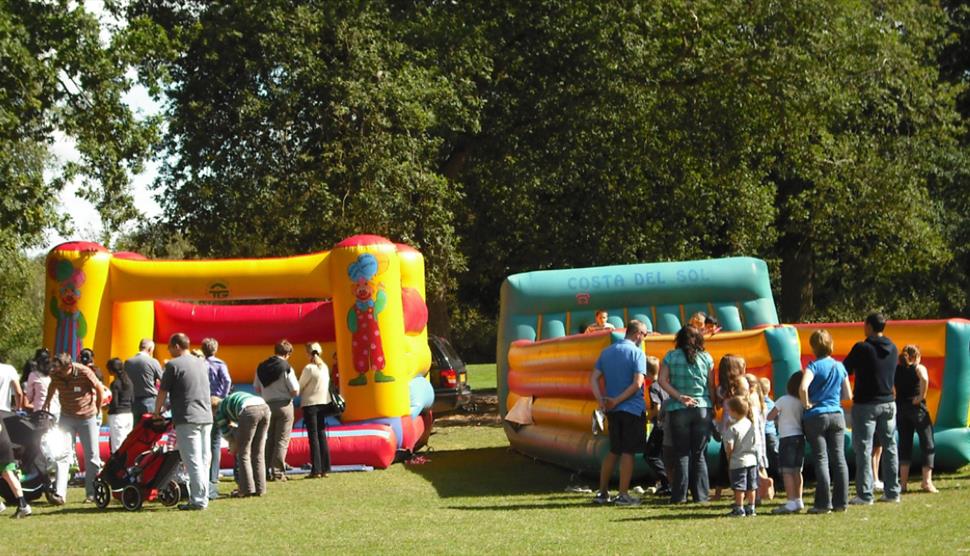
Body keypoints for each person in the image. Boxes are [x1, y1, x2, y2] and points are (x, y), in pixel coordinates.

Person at [843, 312, 901, 504]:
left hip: (866, 404)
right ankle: (892, 492)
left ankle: (865, 494)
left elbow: (846, 369)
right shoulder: (893, 348)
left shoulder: (862, 348)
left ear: (868, 326)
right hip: (888, 403)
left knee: (863, 448)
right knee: (890, 447)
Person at [590, 320, 649, 506]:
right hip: (632, 409)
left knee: (614, 450)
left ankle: (603, 492)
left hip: (613, 410)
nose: (644, 338)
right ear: (637, 334)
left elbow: (593, 378)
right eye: (644, 334)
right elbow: (638, 383)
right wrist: (618, 400)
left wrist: (602, 400)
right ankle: (623, 494)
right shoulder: (637, 353)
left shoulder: (606, 352)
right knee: (628, 452)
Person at [154, 333, 212, 510]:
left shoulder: (173, 365)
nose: (169, 351)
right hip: (206, 416)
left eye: (170, 347)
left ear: (177, 346)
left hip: (187, 417)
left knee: (192, 459)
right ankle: (203, 495)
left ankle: (198, 500)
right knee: (204, 459)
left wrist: (157, 412)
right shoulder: (201, 363)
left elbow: (162, 392)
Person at [658, 325, 715, 503]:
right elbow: (711, 385)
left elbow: (661, 380)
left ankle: (679, 496)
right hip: (702, 407)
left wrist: (679, 396)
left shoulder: (671, 356)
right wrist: (713, 405)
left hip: (679, 408)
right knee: (699, 454)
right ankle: (701, 495)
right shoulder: (706, 357)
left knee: (681, 454)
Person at [799, 329, 851, 514]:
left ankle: (823, 504)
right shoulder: (839, 366)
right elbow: (848, 394)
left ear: (813, 347)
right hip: (836, 415)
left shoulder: (813, 366)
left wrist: (807, 404)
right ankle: (841, 502)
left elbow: (803, 387)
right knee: (839, 458)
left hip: (816, 416)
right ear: (831, 345)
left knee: (821, 458)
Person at [43, 352, 103, 503]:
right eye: (56, 368)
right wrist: (47, 402)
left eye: (61, 369)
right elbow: (52, 386)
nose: (58, 372)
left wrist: (97, 408)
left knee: (92, 456)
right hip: (66, 417)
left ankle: (91, 493)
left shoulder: (84, 372)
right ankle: (60, 494)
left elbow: (99, 388)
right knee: (63, 453)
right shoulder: (56, 374)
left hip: (87, 417)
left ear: (69, 366)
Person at [895, 345, 938, 493]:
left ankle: (903, 484)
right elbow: (924, 379)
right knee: (927, 442)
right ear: (917, 356)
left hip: (901, 409)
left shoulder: (897, 369)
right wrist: (921, 397)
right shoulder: (918, 368)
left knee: (904, 445)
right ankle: (927, 482)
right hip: (917, 409)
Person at [255, 340, 299, 482]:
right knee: (281, 440)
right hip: (284, 405)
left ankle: (264, 471)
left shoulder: (261, 366)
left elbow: (257, 387)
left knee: (269, 440)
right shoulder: (286, 367)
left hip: (267, 406)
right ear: (287, 354)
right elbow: (295, 389)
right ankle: (278, 472)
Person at [213, 391, 270, 497]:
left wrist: (233, 444)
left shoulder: (219, 411)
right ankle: (260, 488)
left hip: (248, 410)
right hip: (264, 407)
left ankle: (246, 489)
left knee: (243, 453)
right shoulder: (228, 402)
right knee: (258, 453)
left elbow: (227, 434)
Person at [768, 372, 806, 514]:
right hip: (799, 437)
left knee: (787, 471)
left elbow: (770, 416)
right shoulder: (801, 402)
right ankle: (798, 499)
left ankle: (790, 501)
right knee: (797, 470)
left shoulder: (783, 400)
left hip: (786, 438)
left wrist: (778, 419)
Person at [712, 355, 748, 501]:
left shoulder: (721, 389)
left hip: (728, 430)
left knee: (725, 461)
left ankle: (720, 492)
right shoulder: (742, 385)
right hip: (741, 427)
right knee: (740, 461)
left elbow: (718, 405)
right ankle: (740, 490)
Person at [202, 337, 231, 500]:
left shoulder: (200, 364)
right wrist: (223, 396)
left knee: (204, 439)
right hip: (217, 402)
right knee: (215, 440)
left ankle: (204, 473)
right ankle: (213, 475)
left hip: (203, 403)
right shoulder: (220, 364)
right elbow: (227, 380)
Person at [300, 342, 333, 479]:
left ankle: (316, 469)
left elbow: (300, 385)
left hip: (310, 404)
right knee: (321, 435)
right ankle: (325, 468)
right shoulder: (324, 367)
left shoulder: (309, 368)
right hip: (323, 403)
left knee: (313, 437)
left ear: (308, 353)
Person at [723, 396, 758, 517]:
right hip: (752, 459)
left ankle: (739, 507)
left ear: (734, 411)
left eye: (728, 410)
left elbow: (730, 446)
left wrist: (728, 456)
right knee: (751, 485)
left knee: (739, 486)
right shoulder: (750, 424)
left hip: (738, 461)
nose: (727, 412)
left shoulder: (733, 428)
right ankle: (751, 507)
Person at [643, 355, 669, 495]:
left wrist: (647, 417)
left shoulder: (653, 386)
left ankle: (667, 480)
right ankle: (666, 485)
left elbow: (657, 408)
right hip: (668, 425)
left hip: (660, 425)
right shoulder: (665, 384)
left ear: (646, 371)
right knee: (662, 455)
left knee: (650, 455)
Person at [0, 417, 31, 518]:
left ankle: (23, 505)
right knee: (8, 474)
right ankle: (23, 505)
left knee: (8, 474)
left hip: (1, 448)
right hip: (4, 446)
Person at [124, 339, 164, 419]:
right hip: (149, 401)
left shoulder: (128, 362)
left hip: (133, 401)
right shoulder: (153, 362)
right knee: (150, 425)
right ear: (150, 349)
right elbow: (163, 380)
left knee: (136, 426)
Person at [106, 357, 134, 453]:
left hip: (117, 416)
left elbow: (115, 403)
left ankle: (117, 462)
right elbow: (132, 399)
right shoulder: (129, 382)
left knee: (117, 445)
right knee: (127, 444)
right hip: (128, 414)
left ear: (111, 370)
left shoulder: (115, 384)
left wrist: (106, 406)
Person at [760, 376, 780, 484]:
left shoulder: (758, 403)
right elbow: (777, 417)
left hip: (762, 433)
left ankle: (771, 476)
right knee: (775, 454)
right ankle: (779, 477)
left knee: (766, 455)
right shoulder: (772, 403)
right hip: (770, 432)